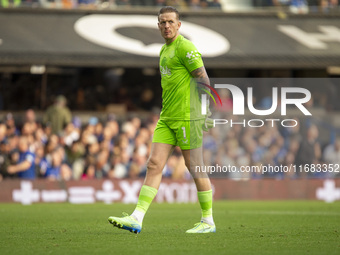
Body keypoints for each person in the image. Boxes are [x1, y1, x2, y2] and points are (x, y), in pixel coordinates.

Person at [108, 6, 216, 234]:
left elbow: (202, 77)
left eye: (170, 22)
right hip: (167, 118)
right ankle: (137, 217)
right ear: (158, 26)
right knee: (154, 164)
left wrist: (206, 111)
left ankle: (208, 221)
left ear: (179, 25)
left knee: (195, 167)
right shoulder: (163, 51)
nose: (166, 26)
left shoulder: (185, 46)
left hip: (188, 118)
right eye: (162, 22)